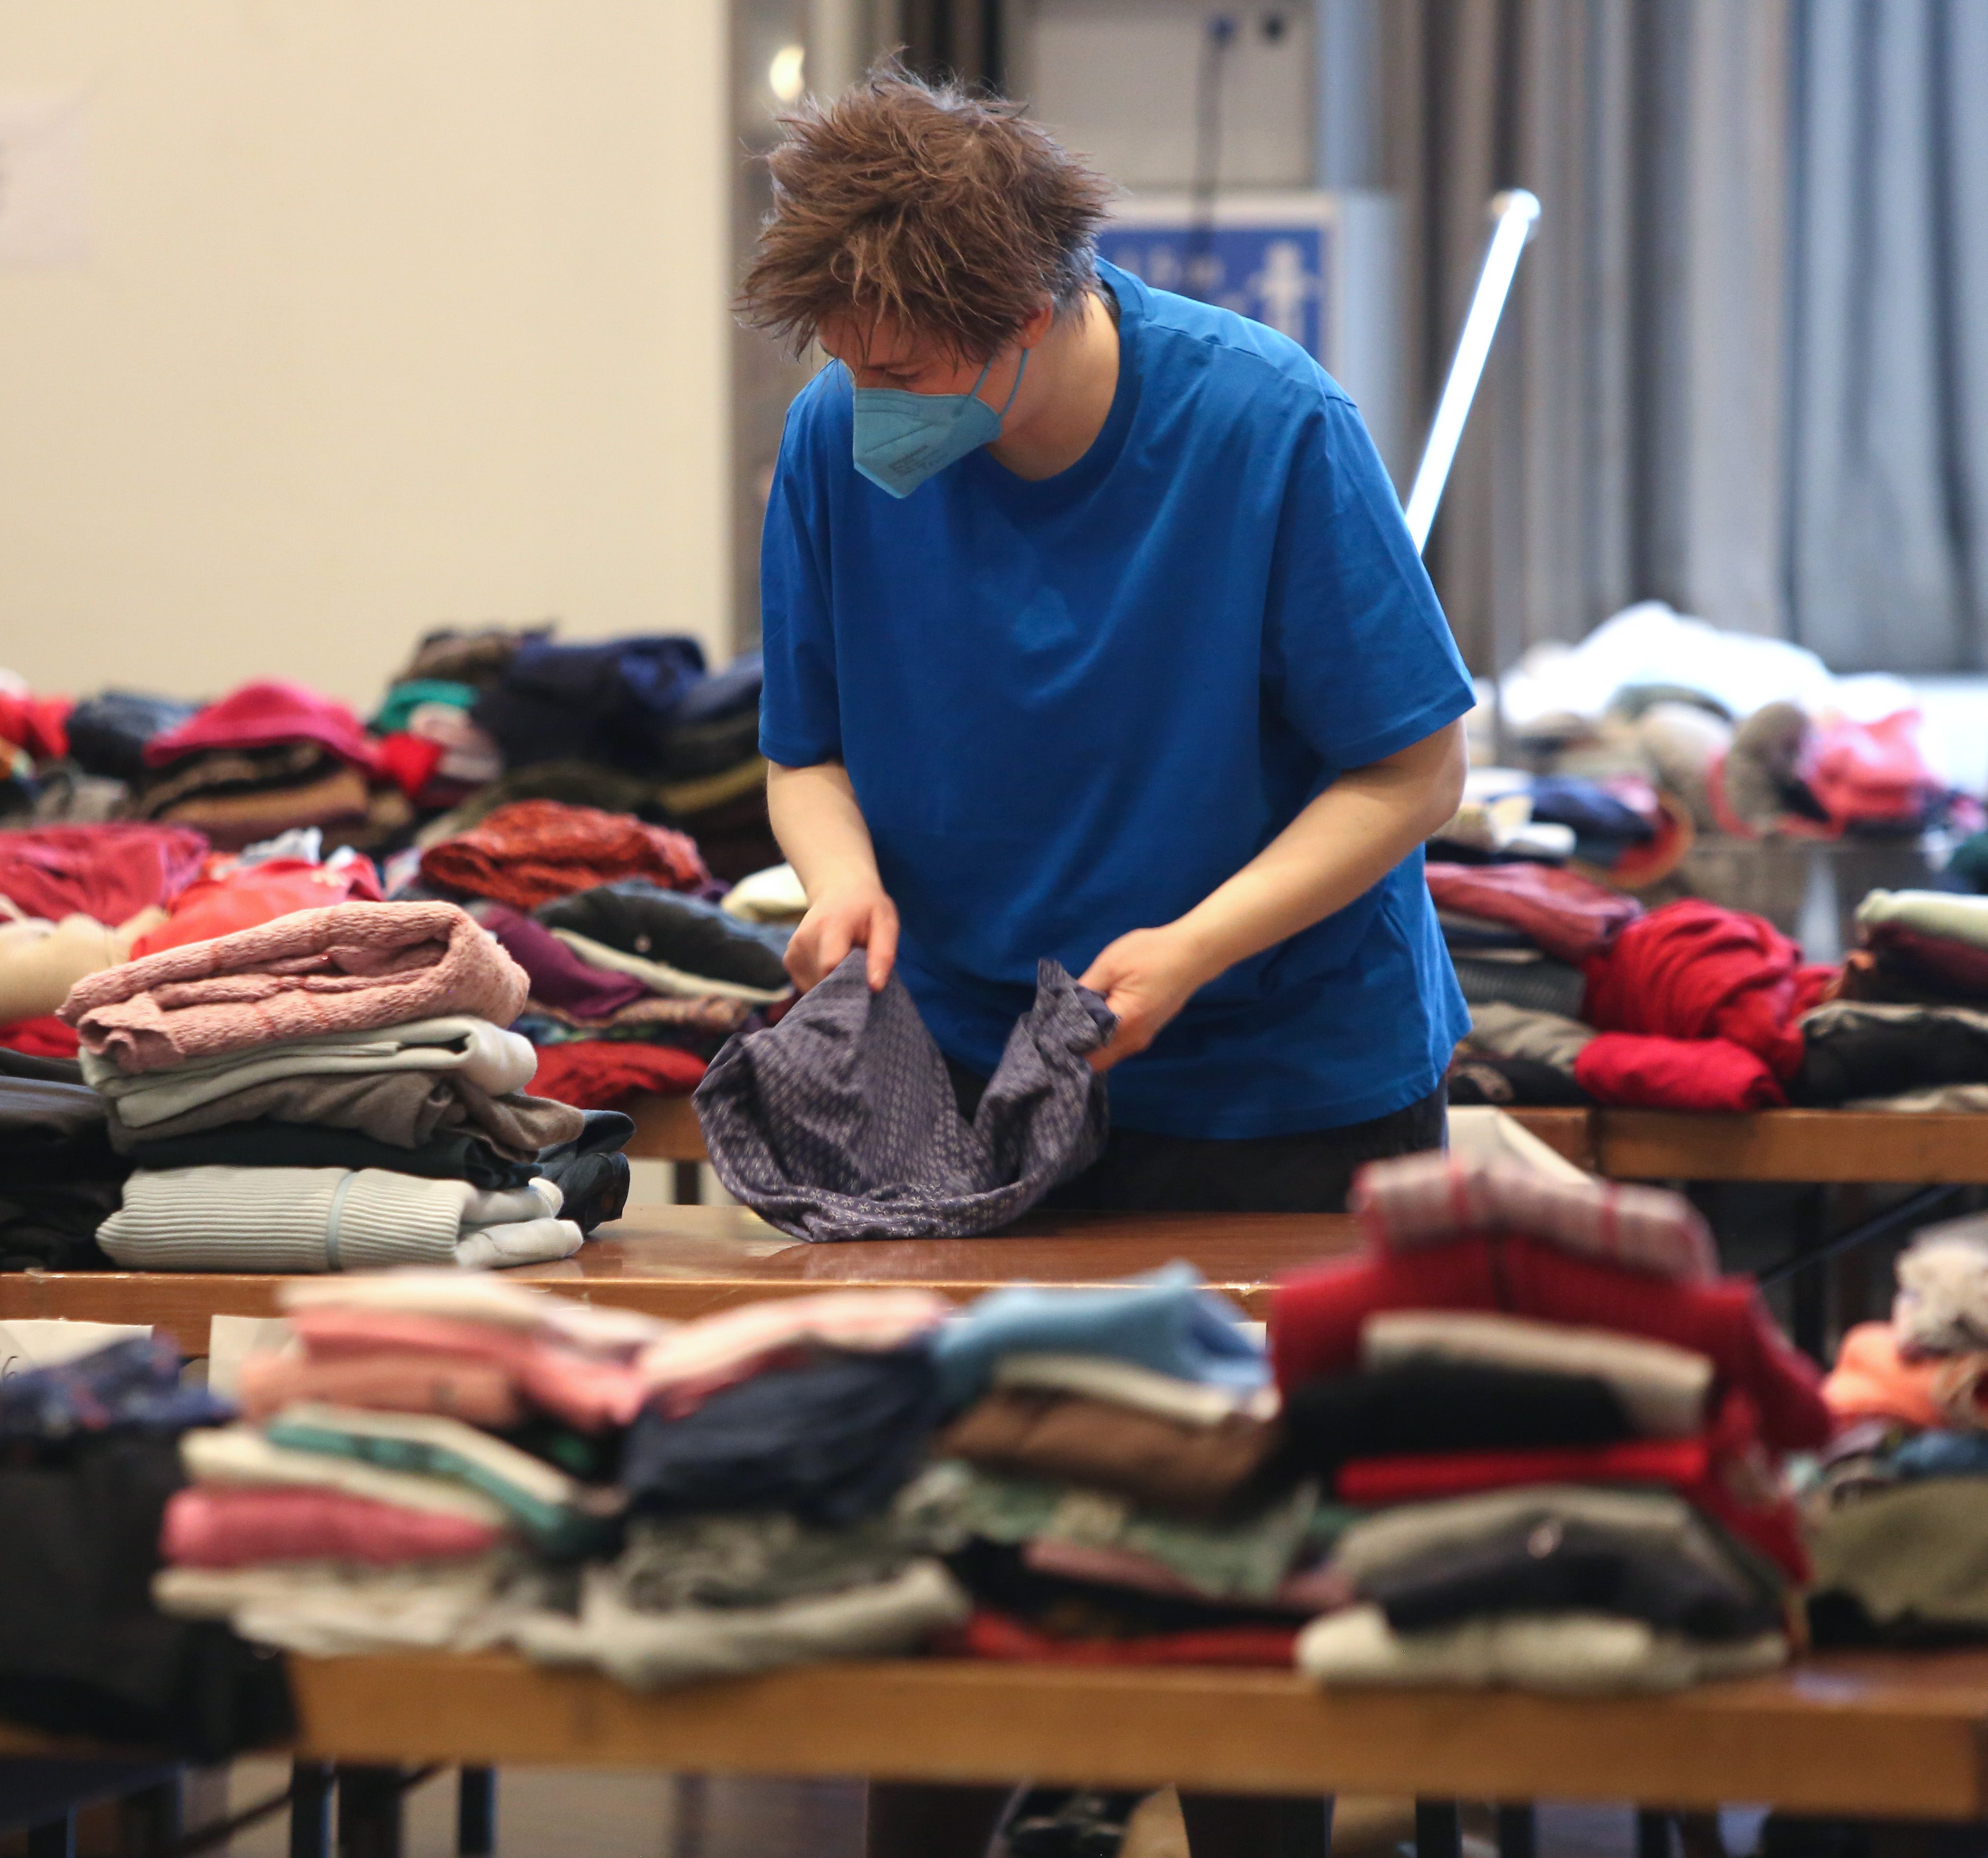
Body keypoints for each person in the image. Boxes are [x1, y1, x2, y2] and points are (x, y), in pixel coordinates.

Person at [740, 64, 1472, 1858]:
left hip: (1283, 1087)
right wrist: (838, 884)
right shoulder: (846, 441)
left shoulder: (1265, 429)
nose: (864, 405)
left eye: (901, 371)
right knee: (959, 1594)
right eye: (844, 363)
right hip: (988, 1101)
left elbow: (1413, 768)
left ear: (1027, 319)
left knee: (1258, 1646)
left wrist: (1205, 946)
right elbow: (803, 745)